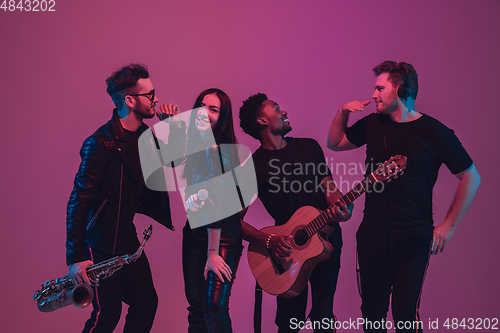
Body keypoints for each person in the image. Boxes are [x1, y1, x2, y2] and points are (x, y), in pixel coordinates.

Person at [326, 61, 481, 332]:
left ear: (400, 89)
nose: (373, 95)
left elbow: (471, 176)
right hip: (372, 234)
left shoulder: (435, 132)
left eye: (379, 88)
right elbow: (335, 143)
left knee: (405, 314)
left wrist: (448, 226)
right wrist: (342, 112)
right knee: (372, 313)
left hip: (413, 236)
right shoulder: (374, 123)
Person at [66, 63, 185, 333]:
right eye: (150, 95)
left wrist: (171, 127)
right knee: (107, 314)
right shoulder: (101, 142)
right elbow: (79, 199)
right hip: (98, 241)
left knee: (146, 302)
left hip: (126, 239)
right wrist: (76, 255)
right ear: (130, 100)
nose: (156, 99)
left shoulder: (145, 137)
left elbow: (176, 161)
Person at [239, 93, 353, 333]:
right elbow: (233, 221)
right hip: (287, 251)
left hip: (327, 239)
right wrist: (268, 239)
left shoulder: (308, 146)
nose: (284, 112)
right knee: (289, 323)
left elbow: (330, 190)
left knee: (323, 314)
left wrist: (343, 207)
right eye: (276, 108)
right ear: (262, 121)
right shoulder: (252, 167)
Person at [181, 88, 243, 333]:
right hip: (195, 233)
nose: (204, 113)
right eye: (201, 106)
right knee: (197, 308)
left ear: (223, 116)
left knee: (214, 306)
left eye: (213, 109)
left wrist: (213, 252)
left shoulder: (219, 151)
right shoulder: (197, 145)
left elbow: (216, 205)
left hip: (222, 237)